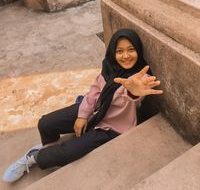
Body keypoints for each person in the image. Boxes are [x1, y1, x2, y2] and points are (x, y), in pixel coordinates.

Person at [3, 28, 163, 183]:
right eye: (119, 51)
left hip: (111, 127)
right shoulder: (109, 68)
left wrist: (134, 91)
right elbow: (94, 92)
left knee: (67, 153)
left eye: (131, 49)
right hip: (95, 110)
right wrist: (82, 115)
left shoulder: (141, 78)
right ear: (113, 53)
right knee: (46, 123)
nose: (126, 56)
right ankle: (49, 145)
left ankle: (34, 157)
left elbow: (134, 96)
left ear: (138, 51)